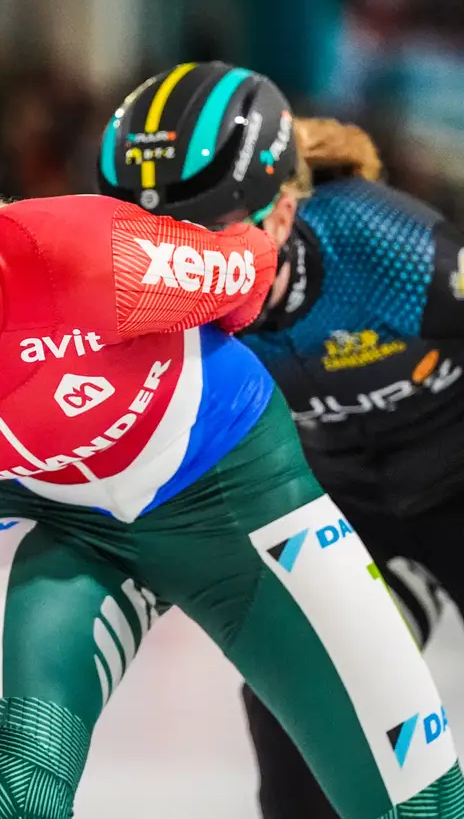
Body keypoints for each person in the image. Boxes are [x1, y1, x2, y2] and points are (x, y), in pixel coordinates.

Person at [0, 70, 463, 819]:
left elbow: (251, 270)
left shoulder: (93, 262)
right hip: (51, 516)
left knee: (414, 802)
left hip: (227, 492)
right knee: (10, 778)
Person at [98, 59, 464, 819]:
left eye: (206, 235)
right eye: (151, 240)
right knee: (300, 702)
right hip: (346, 508)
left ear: (284, 213)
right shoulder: (144, 306)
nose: (181, 270)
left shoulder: (391, 251)